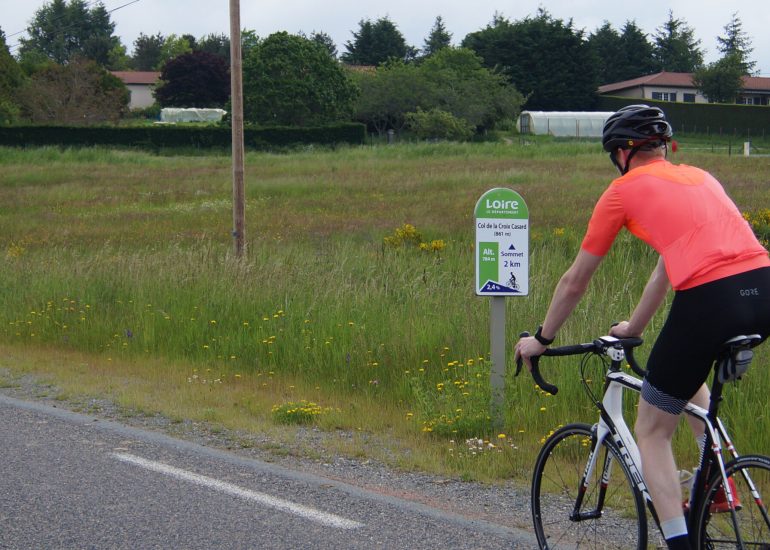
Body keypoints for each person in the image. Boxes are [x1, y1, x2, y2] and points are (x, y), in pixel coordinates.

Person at [514, 104, 770, 550]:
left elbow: (576, 280)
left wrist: (542, 338)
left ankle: (678, 544)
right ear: (663, 147)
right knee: (680, 372)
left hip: (711, 299)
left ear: (622, 152)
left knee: (651, 429)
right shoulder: (701, 177)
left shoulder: (622, 190)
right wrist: (634, 325)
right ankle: (721, 485)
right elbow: (665, 270)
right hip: (763, 289)